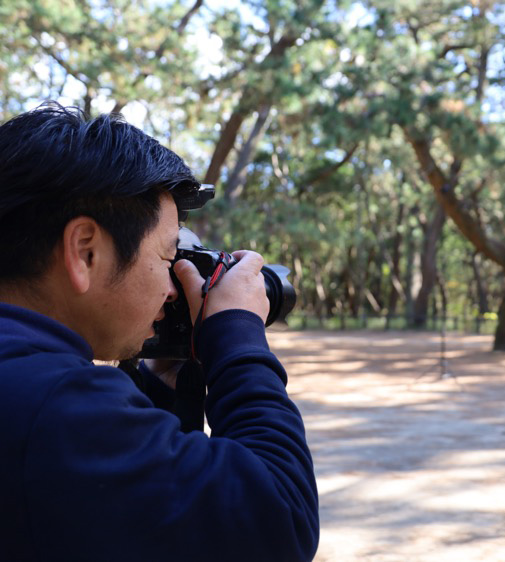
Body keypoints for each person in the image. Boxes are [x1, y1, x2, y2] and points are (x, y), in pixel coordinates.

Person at [0, 103, 319, 561]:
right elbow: (279, 520)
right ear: (85, 251)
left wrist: (160, 392)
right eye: (169, 258)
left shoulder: (27, 387)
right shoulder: (57, 404)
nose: (174, 288)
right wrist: (237, 336)